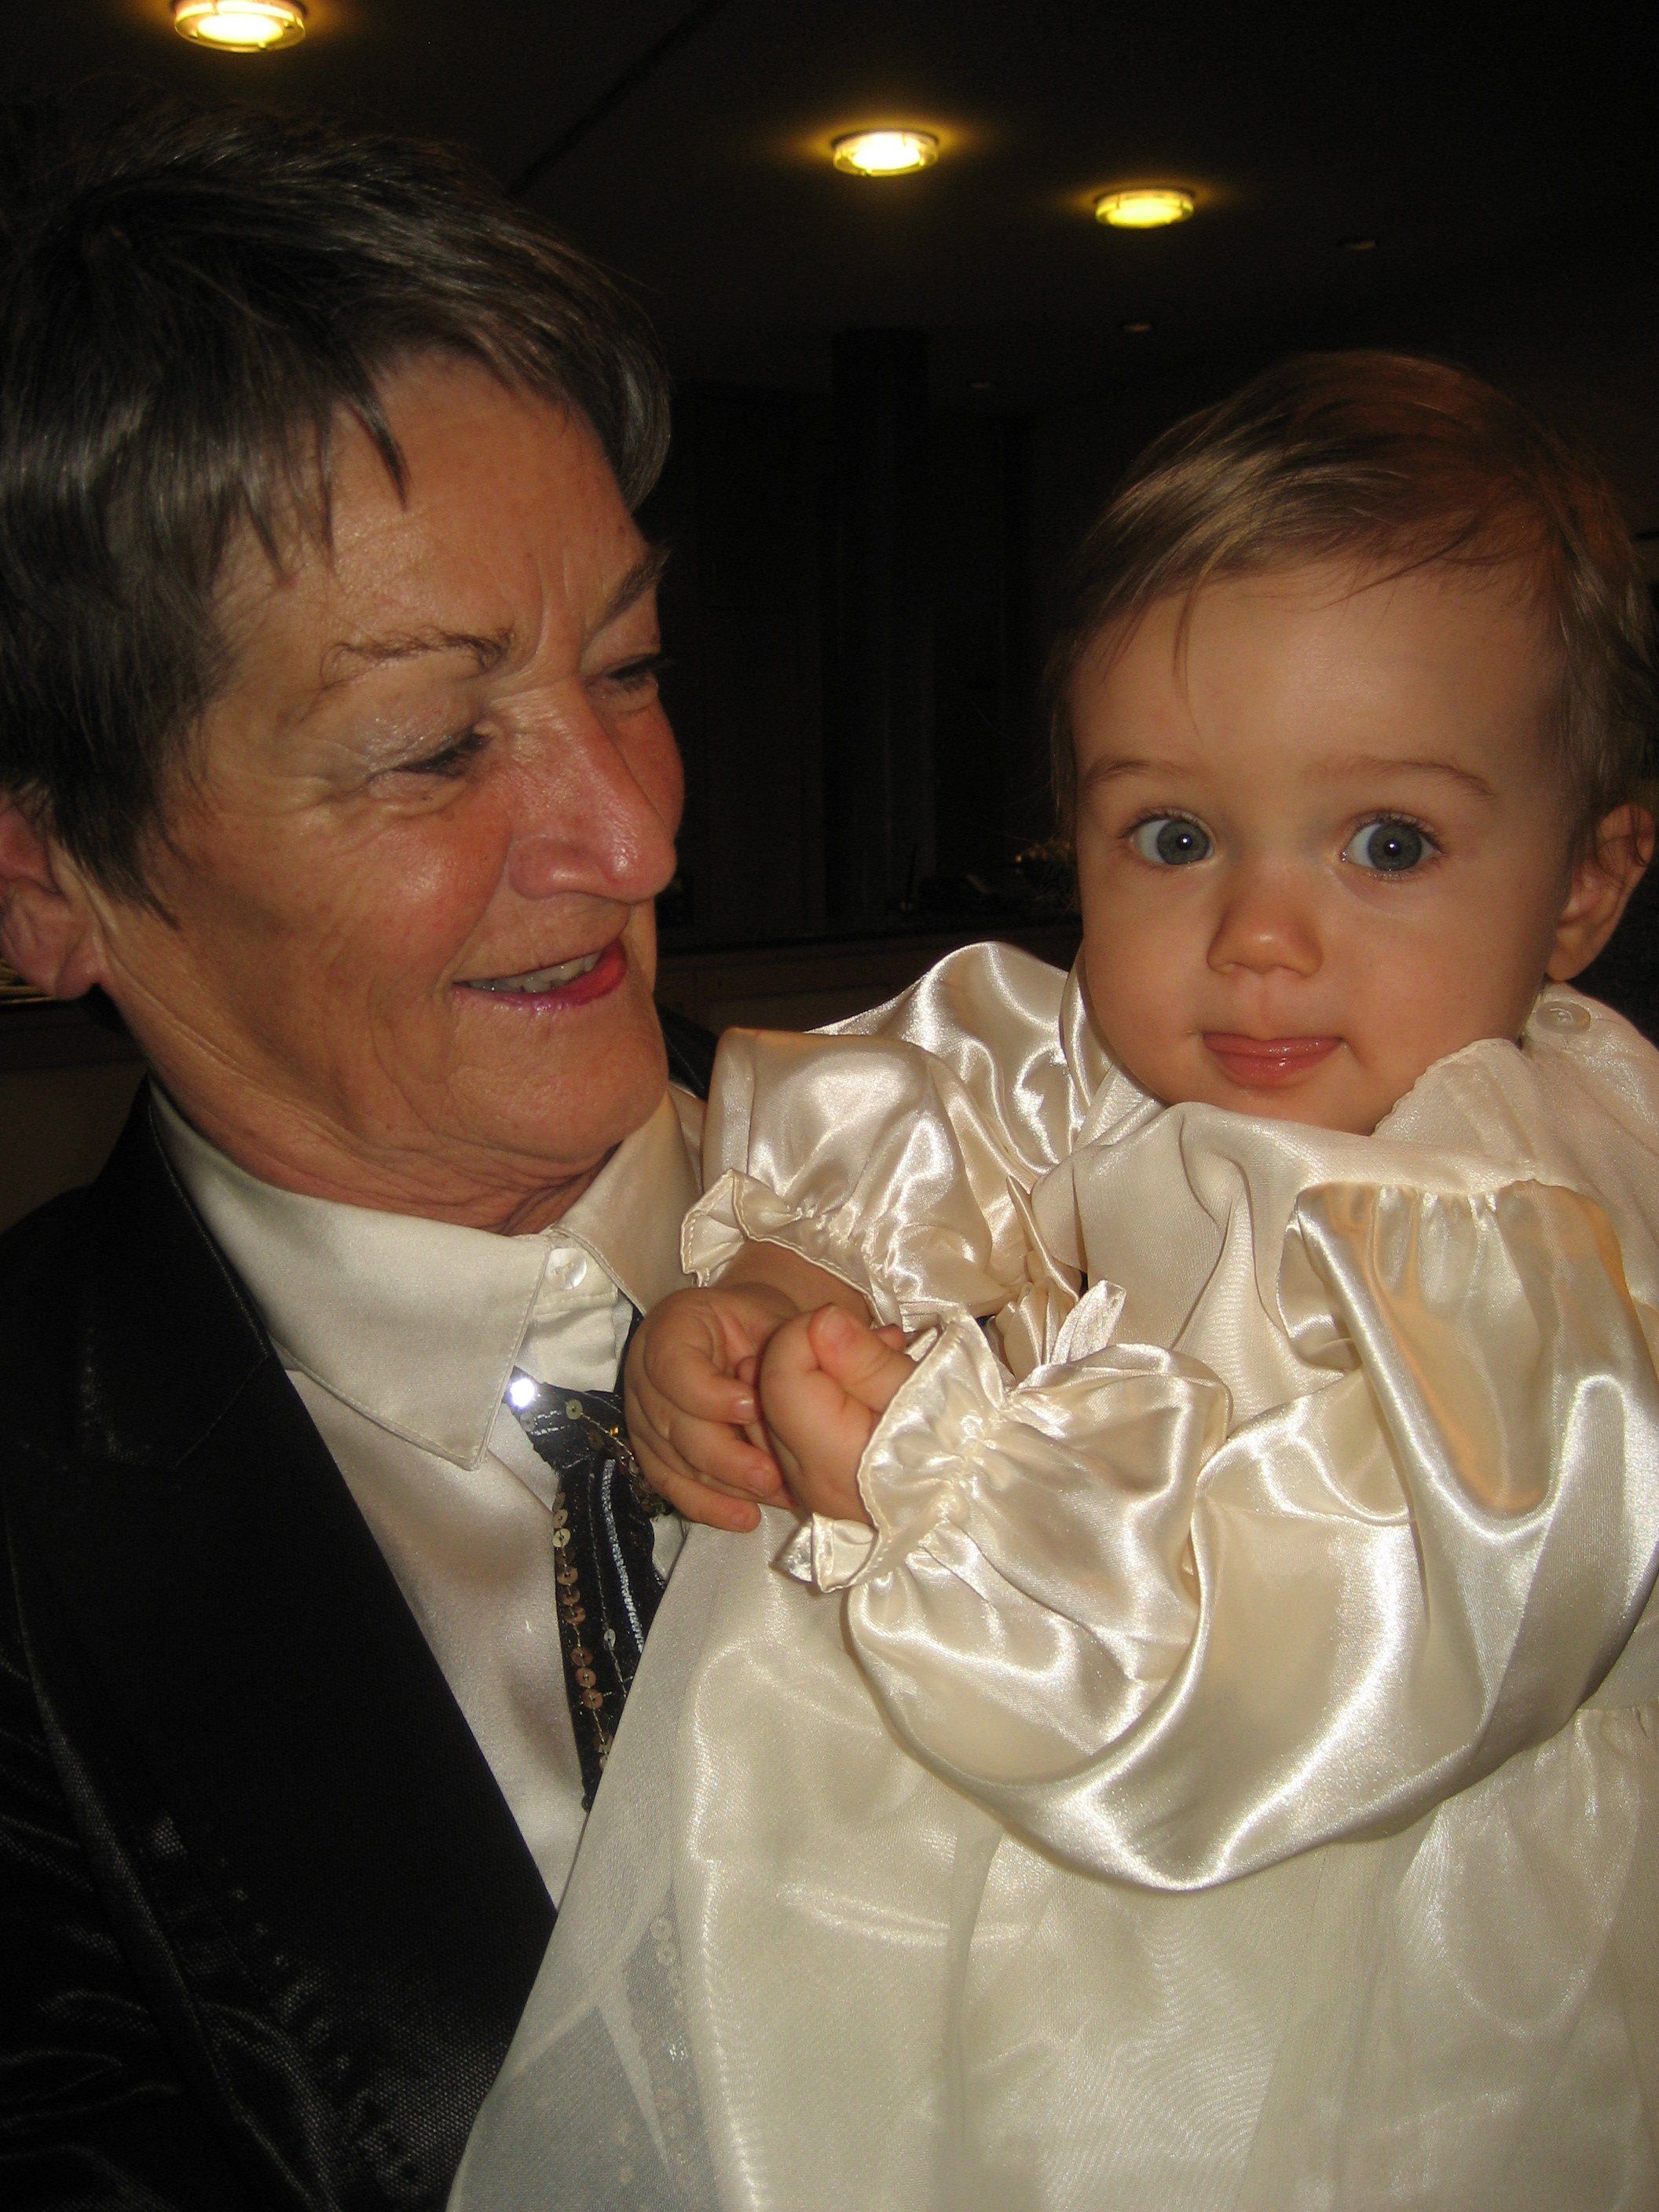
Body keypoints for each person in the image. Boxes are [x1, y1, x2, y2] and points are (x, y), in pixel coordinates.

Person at [456, 356, 1659, 2209]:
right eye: (1173, 837)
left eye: (1389, 844)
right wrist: (770, 1290)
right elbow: (935, 1119)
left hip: (1344, 1975)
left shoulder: (1523, 1219)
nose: (1260, 935)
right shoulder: (1109, 1061)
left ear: (1588, 884)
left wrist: (948, 1487)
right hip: (1026, 1921)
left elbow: (1381, 1628)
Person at [0, 98, 716, 2210]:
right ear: (46, 883)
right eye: (431, 743)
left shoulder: (1062, 1186)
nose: (635, 835)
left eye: (631, 666)